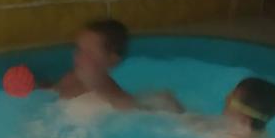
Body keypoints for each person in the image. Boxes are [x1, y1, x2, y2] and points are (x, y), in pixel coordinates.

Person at [50, 19, 183, 113]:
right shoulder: (71, 79)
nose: (79, 57)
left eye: (89, 53)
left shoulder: (118, 104)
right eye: (79, 49)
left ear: (112, 60)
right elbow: (48, 93)